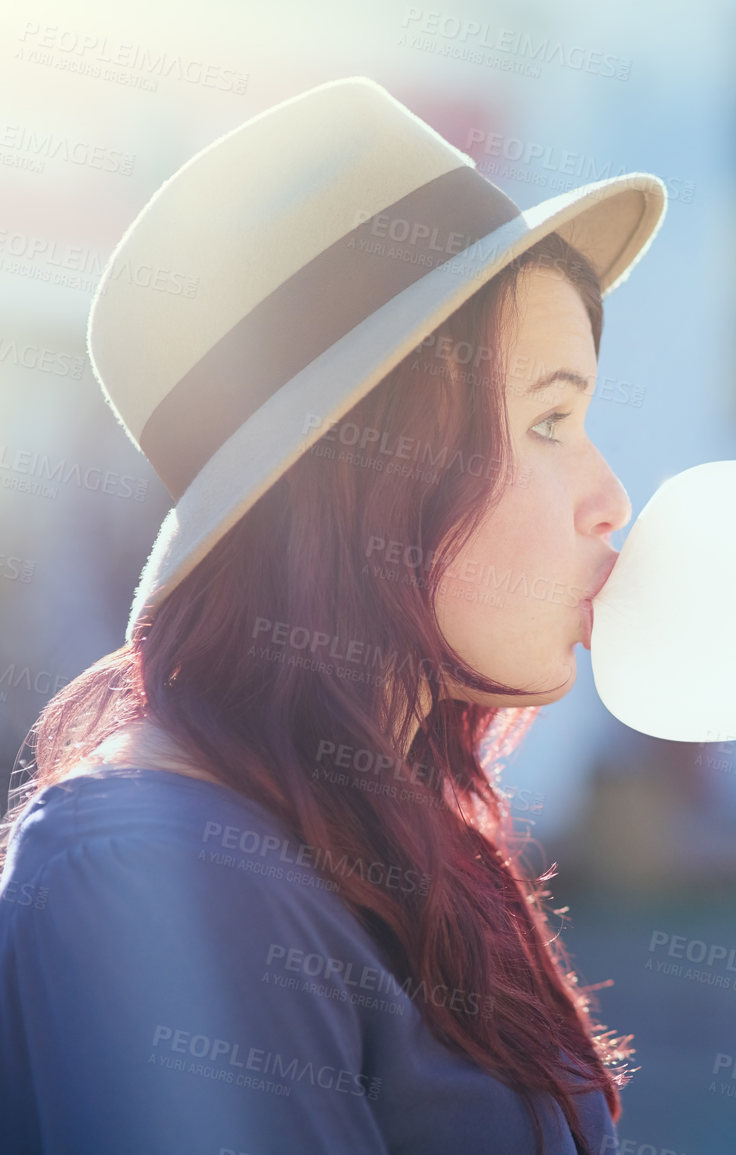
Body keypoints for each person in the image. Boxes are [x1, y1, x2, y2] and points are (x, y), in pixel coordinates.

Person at [0, 76, 666, 1155]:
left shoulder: (389, 829)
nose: (611, 497)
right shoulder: (149, 862)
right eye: (550, 420)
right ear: (369, 476)